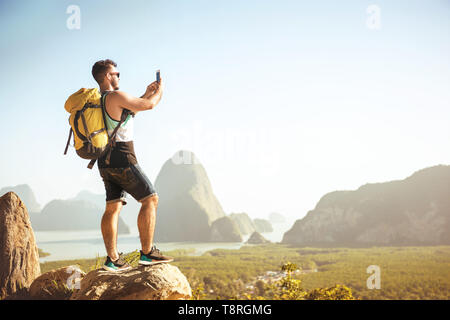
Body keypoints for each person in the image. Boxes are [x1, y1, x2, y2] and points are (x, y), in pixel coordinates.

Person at [91, 59, 172, 272]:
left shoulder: (99, 100)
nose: (118, 76)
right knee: (150, 199)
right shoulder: (116, 96)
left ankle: (113, 259)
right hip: (122, 157)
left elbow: (130, 110)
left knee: (113, 207)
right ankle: (147, 254)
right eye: (116, 73)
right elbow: (149, 105)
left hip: (103, 159)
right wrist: (159, 91)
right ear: (108, 76)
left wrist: (146, 92)